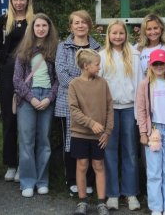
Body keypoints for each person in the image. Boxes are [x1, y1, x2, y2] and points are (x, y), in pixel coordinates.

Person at [55, 10, 102, 194]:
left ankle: (89, 181)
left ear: (89, 25)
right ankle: (72, 180)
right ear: (71, 26)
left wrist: (87, 91)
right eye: (76, 22)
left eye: (83, 22)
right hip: (67, 101)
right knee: (71, 141)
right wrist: (80, 88)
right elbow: (61, 73)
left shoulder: (98, 48)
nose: (80, 25)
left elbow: (98, 72)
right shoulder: (63, 47)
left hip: (92, 102)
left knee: (90, 139)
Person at [13, 13, 59, 198]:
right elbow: (17, 79)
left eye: (44, 26)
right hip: (27, 99)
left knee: (44, 142)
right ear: (32, 28)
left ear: (49, 28)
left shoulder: (55, 50)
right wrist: (31, 98)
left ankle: (42, 181)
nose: (40, 29)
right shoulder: (24, 50)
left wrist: (49, 98)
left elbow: (58, 80)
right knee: (26, 142)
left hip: (47, 97)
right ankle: (27, 181)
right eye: (37, 25)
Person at [98, 20, 142, 211]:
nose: (117, 36)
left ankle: (130, 193)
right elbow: (98, 85)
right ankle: (112, 194)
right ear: (108, 35)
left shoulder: (134, 54)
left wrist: (138, 113)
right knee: (109, 151)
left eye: (121, 33)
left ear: (126, 35)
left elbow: (140, 83)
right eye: (114, 33)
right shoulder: (101, 56)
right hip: (109, 110)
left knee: (130, 152)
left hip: (129, 107)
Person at [0, 0, 34, 182]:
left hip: (30, 69)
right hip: (8, 70)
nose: (19, 2)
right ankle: (11, 163)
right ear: (11, 1)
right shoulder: (2, 21)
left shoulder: (33, 20)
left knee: (26, 120)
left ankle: (26, 164)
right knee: (10, 118)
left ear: (27, 1)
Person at [68, 49, 113, 215]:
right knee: (81, 165)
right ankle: (82, 201)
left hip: (99, 136)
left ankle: (101, 203)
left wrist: (107, 131)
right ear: (86, 66)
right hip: (80, 134)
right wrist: (91, 123)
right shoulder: (74, 85)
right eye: (97, 64)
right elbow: (74, 110)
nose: (99, 67)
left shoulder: (103, 83)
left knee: (99, 165)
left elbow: (109, 108)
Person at [135, 48, 165, 215]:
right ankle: (155, 207)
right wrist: (143, 132)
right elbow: (141, 110)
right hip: (153, 131)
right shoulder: (145, 84)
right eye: (156, 63)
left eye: (162, 63)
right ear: (150, 65)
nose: (159, 66)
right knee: (153, 172)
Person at [135, 13, 165, 79]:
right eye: (149, 29)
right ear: (144, 31)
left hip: (162, 87)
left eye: (155, 28)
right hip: (143, 87)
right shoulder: (137, 49)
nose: (153, 32)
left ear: (161, 29)